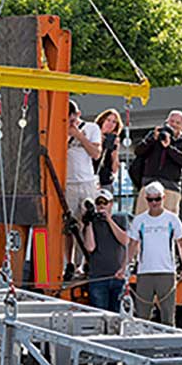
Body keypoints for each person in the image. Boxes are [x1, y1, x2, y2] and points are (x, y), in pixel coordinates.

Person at [127, 182, 182, 325]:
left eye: (157, 199)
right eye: (150, 199)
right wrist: (125, 266)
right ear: (146, 199)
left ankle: (170, 345)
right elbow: (133, 244)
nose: (154, 203)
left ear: (163, 198)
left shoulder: (172, 219)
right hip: (144, 273)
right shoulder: (139, 220)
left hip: (166, 272)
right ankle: (142, 345)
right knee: (142, 316)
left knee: (168, 316)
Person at [65, 100, 102, 278]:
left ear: (78, 115)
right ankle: (69, 263)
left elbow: (96, 153)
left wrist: (78, 135)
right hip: (67, 183)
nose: (70, 123)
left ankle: (87, 262)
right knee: (69, 225)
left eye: (72, 119)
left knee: (88, 221)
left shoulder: (91, 128)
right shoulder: (57, 128)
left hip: (86, 181)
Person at [133, 111, 182, 215]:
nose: (174, 125)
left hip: (170, 187)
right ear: (166, 121)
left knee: (168, 221)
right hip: (149, 184)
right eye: (172, 121)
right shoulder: (155, 134)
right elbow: (138, 151)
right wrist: (152, 139)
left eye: (178, 123)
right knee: (142, 218)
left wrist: (169, 147)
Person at [84, 189, 130, 312]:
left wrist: (109, 220)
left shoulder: (120, 219)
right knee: (100, 314)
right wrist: (88, 223)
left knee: (117, 315)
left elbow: (125, 240)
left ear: (111, 204)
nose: (102, 206)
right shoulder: (93, 222)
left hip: (117, 276)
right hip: (98, 278)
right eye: (99, 203)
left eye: (105, 203)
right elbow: (90, 247)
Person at [93, 108, 123, 193]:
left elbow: (114, 169)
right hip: (90, 178)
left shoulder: (113, 140)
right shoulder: (92, 135)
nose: (110, 124)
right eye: (108, 120)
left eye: (114, 122)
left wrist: (115, 152)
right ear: (102, 120)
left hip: (105, 181)